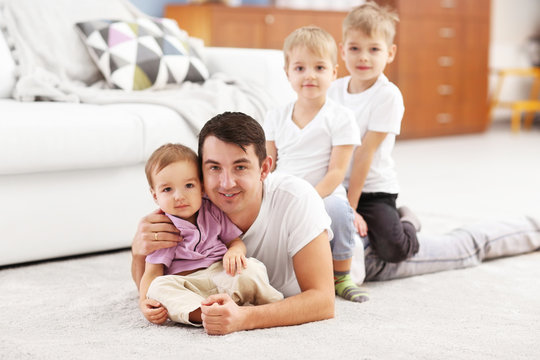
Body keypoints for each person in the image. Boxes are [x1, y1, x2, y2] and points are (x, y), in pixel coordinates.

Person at [132, 112, 335, 335]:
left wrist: (241, 318)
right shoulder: (183, 208)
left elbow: (324, 301)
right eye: (214, 168)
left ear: (264, 169)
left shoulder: (297, 199)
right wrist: (138, 252)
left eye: (240, 167)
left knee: (353, 234)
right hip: (210, 285)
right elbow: (154, 284)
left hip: (342, 251)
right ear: (200, 173)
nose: (226, 184)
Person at [264, 26, 368, 303]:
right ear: (288, 73)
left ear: (333, 73)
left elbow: (337, 171)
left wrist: (309, 197)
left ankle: (341, 275)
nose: (309, 75)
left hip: (324, 193)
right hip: (285, 192)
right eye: (300, 68)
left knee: (337, 209)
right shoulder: (275, 116)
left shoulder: (341, 117)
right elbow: (268, 166)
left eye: (319, 67)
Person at [139, 143, 283, 326]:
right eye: (167, 189)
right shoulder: (162, 226)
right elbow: (151, 273)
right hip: (188, 284)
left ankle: (272, 304)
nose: (179, 196)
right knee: (159, 288)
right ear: (155, 196)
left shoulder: (212, 211)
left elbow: (235, 241)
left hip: (221, 274)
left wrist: (235, 252)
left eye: (189, 185)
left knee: (252, 268)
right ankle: (207, 314)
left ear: (202, 187)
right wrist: (144, 302)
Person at [327, 2, 421, 264]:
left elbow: (364, 153)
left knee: (394, 250)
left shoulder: (387, 95)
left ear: (390, 53)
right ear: (342, 50)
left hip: (373, 189)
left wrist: (350, 209)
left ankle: (408, 220)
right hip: (337, 185)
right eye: (355, 48)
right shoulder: (333, 90)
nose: (363, 57)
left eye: (374, 49)